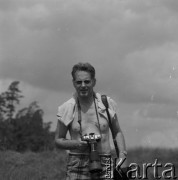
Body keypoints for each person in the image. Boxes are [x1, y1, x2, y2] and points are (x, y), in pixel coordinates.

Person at [55, 62, 127, 180]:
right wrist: (76, 143)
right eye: (79, 82)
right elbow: (58, 140)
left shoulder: (106, 103)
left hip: (106, 161)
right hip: (77, 161)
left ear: (94, 81)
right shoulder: (66, 108)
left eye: (87, 81)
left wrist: (122, 156)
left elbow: (117, 132)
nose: (83, 85)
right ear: (73, 83)